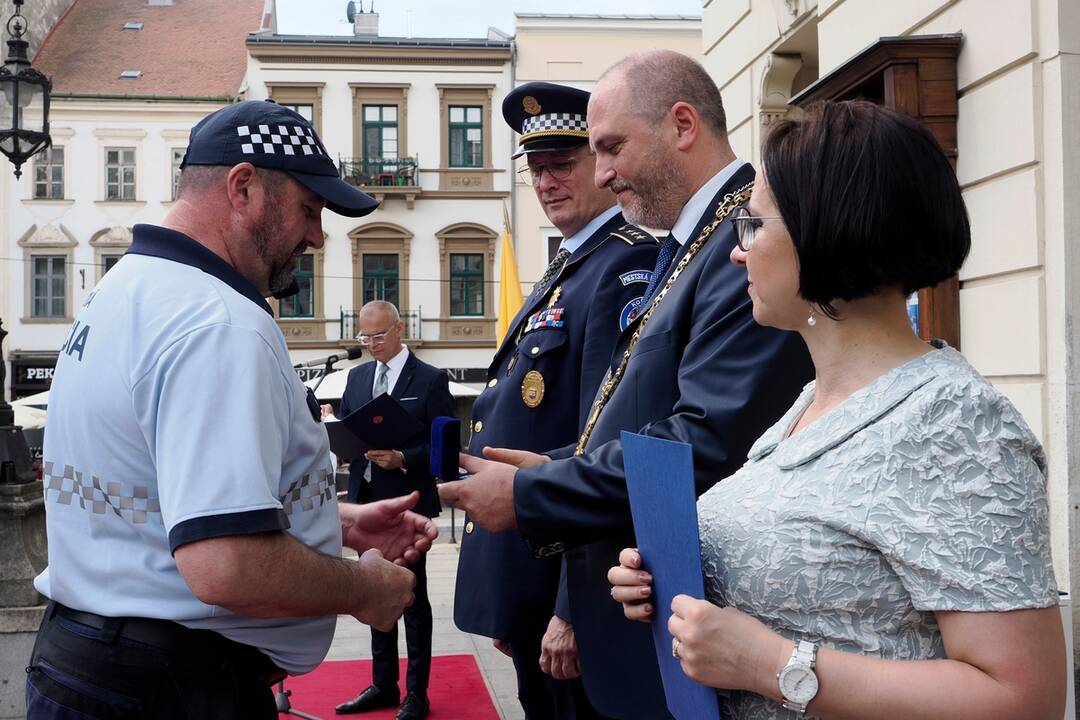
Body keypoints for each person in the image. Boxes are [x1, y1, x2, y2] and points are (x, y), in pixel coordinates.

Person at [608, 100, 1066, 719]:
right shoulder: (810, 404)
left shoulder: (955, 424)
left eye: (754, 225)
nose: (737, 252)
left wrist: (770, 665)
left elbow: (1022, 698)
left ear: (827, 229)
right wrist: (675, 582)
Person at [26, 100, 438, 719]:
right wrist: (365, 590)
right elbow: (227, 566)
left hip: (86, 662)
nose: (318, 236)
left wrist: (337, 521)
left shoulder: (124, 286)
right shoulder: (218, 319)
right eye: (309, 208)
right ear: (243, 187)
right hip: (172, 686)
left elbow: (152, 491)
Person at [439, 50, 813, 719]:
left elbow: (704, 442)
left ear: (682, 125)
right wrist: (556, 464)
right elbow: (635, 419)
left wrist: (532, 492)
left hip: (688, 628)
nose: (602, 173)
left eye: (611, 148)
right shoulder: (691, 242)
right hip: (648, 613)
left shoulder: (740, 246)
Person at [453, 82, 660, 720]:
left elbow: (605, 441)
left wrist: (571, 608)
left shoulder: (625, 264)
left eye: (561, 164)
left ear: (599, 166)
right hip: (529, 572)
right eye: (535, 168)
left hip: (571, 585)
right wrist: (507, 593)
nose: (546, 182)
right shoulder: (567, 269)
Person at [333, 300, 455, 720]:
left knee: (413, 599)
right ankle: (383, 684)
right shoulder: (357, 376)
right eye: (364, 338)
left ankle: (416, 694)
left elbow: (445, 449)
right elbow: (349, 428)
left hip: (408, 506)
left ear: (399, 329)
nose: (371, 345)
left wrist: (403, 458)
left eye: (379, 336)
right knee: (374, 591)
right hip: (365, 500)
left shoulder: (432, 379)